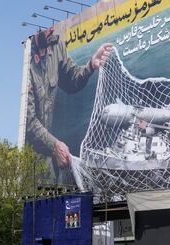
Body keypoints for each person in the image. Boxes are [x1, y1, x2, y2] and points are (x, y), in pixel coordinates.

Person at [26, 28, 112, 182]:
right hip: (28, 158)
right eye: (48, 28)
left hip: (48, 155)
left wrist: (91, 65)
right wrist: (55, 146)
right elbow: (28, 122)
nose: (52, 29)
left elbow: (72, 81)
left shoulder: (57, 46)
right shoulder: (26, 59)